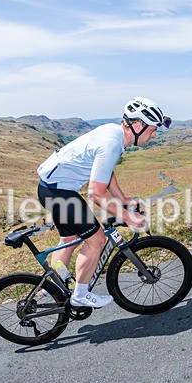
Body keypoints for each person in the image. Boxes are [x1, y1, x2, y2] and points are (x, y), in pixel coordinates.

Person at [36, 97, 170, 308]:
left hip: (51, 188)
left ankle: (55, 286)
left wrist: (123, 199)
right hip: (58, 192)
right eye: (152, 130)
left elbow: (105, 171)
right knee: (96, 240)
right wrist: (127, 216)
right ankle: (80, 295)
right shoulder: (112, 143)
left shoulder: (113, 133)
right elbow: (96, 193)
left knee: (69, 238)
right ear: (137, 125)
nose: (154, 135)